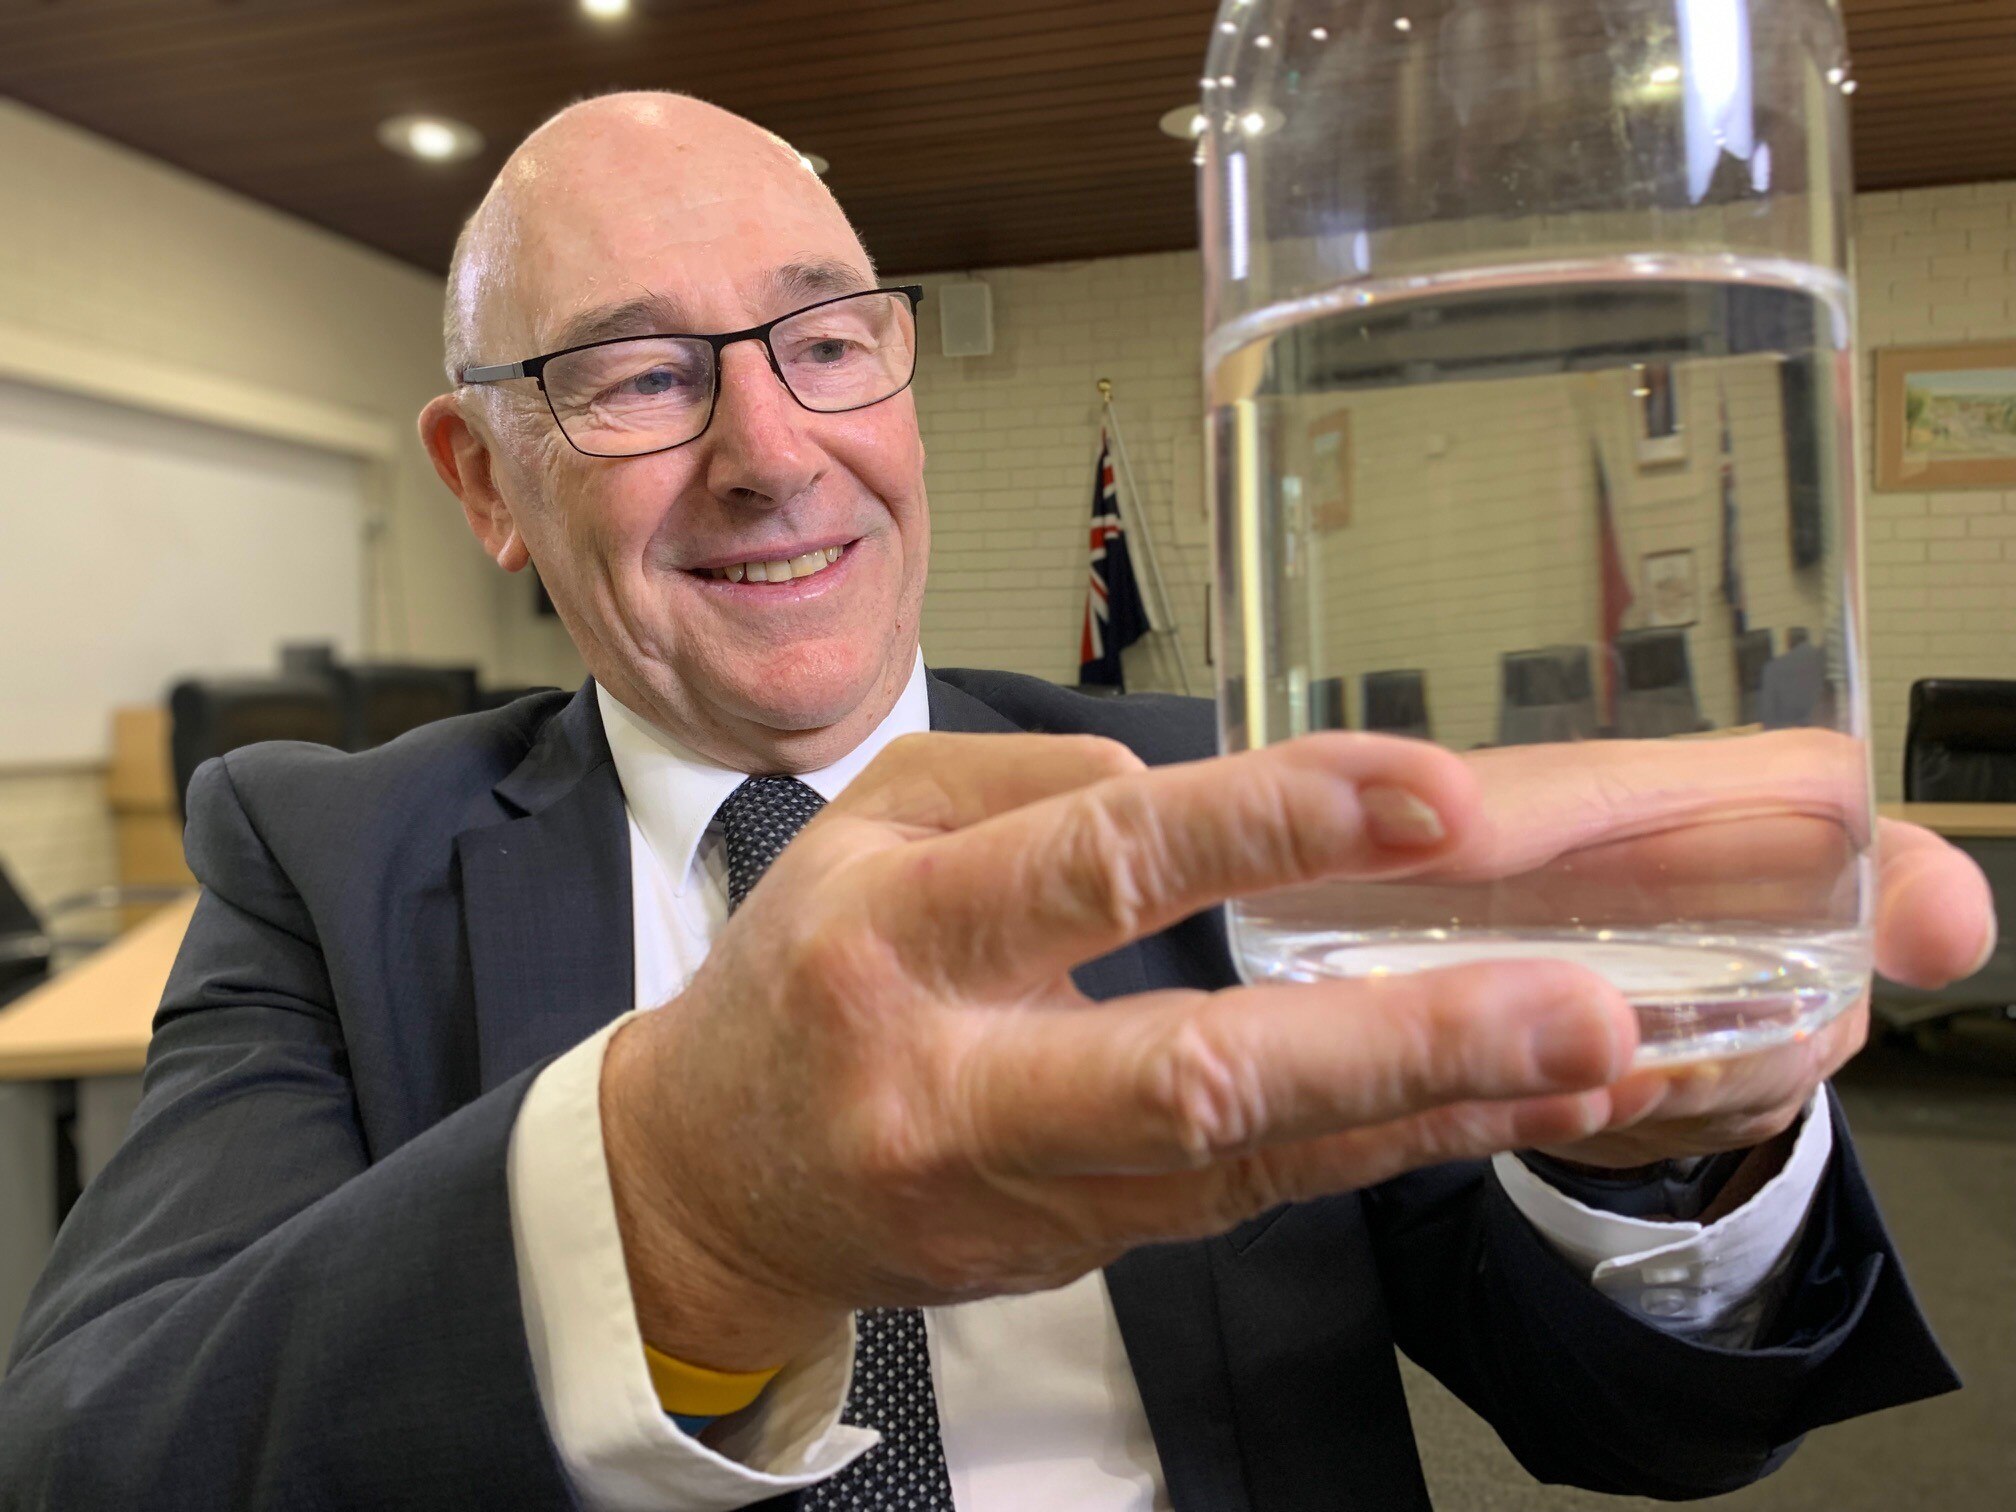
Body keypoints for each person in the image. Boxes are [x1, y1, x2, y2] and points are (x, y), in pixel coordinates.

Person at [0, 93, 1990, 1511]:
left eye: (826, 342)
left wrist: (1674, 1147)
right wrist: (685, 1216)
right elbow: (97, 1453)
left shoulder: (1217, 800)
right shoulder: (314, 852)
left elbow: (1645, 1429)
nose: (774, 454)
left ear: (902, 377)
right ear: (480, 481)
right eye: (632, 380)